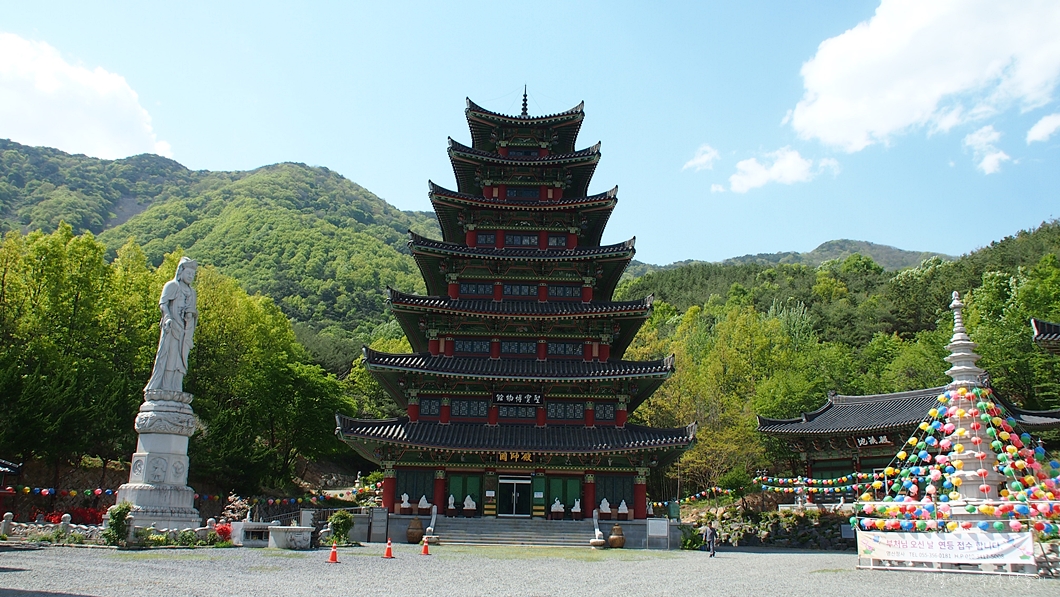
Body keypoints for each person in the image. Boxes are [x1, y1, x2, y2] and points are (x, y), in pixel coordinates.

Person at [144, 257, 198, 393]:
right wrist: (168, 317)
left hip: (185, 330)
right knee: (170, 356)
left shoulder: (192, 293)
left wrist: (191, 314)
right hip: (173, 327)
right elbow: (163, 304)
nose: (190, 276)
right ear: (181, 272)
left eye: (193, 274)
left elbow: (192, 311)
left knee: (182, 359)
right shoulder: (172, 286)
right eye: (188, 273)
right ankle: (166, 386)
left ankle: (177, 387)